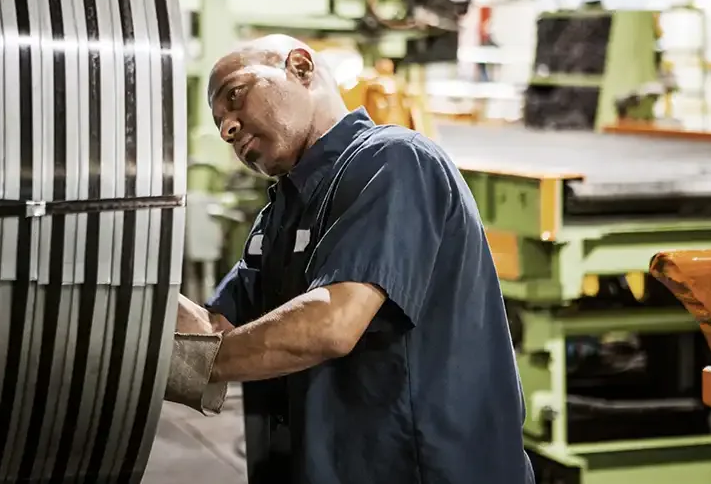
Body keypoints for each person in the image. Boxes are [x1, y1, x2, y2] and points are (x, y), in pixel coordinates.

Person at [167, 34, 534, 484]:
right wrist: (124, 281)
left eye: (236, 96)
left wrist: (193, 364)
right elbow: (214, 330)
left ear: (300, 67)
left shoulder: (395, 162)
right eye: (221, 121)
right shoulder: (278, 216)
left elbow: (332, 323)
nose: (228, 128)